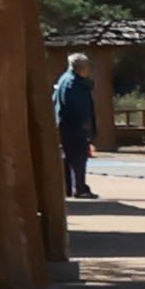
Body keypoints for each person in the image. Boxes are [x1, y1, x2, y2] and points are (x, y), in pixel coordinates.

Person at [53, 51, 98, 198]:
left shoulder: (63, 80)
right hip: (75, 126)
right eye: (87, 66)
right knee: (78, 158)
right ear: (80, 67)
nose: (88, 69)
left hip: (63, 125)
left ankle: (68, 188)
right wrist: (87, 130)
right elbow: (80, 109)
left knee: (68, 157)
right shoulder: (75, 84)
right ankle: (79, 188)